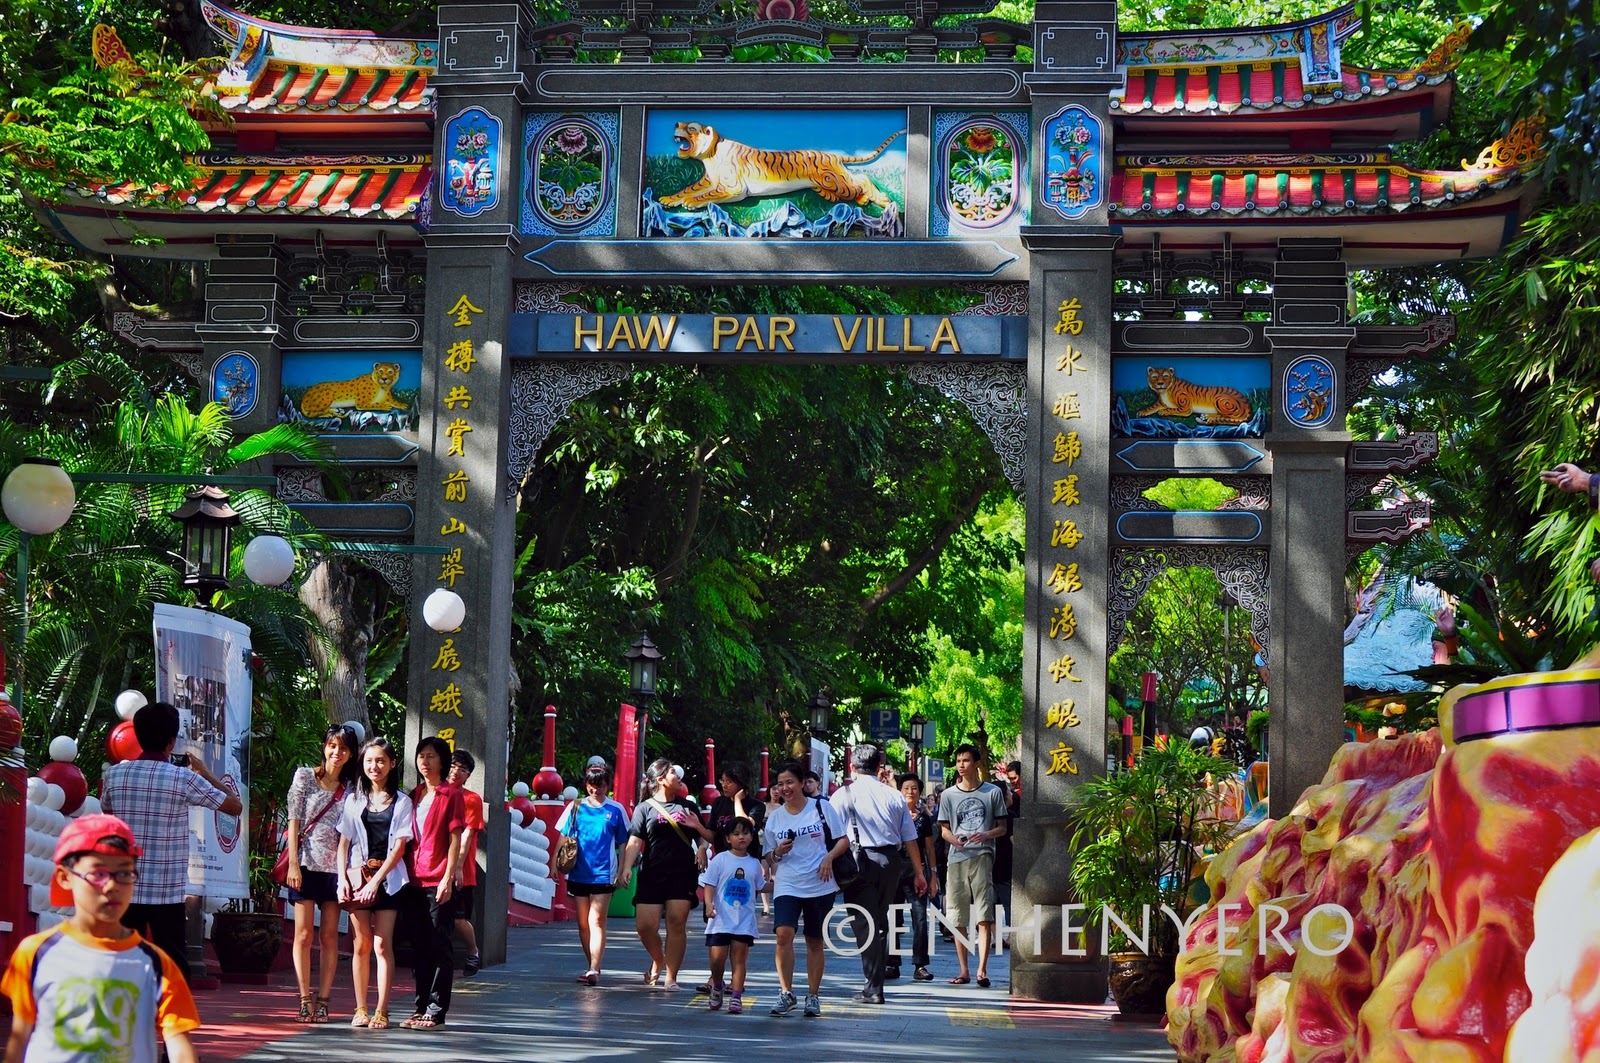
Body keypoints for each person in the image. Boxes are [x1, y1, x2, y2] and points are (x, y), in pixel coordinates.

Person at [4, 814, 201, 1063]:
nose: (111, 886)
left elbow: (179, 1047)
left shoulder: (156, 964)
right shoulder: (35, 953)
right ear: (65, 877)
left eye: (124, 874)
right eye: (98, 874)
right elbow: (20, 1037)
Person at [100, 701, 243, 983]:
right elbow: (234, 807)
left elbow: (107, 812)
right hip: (166, 889)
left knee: (123, 960)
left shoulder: (114, 775)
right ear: (171, 740)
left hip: (125, 884)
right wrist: (205, 773)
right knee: (173, 966)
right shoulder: (183, 778)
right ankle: (171, 1020)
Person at [827, 744, 926, 1004]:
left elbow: (832, 835)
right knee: (880, 922)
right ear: (878, 765)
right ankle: (874, 984)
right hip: (891, 862)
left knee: (863, 924)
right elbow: (910, 838)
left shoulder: (842, 795)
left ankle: (873, 988)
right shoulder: (894, 795)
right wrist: (920, 872)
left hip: (858, 863)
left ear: (852, 767)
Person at [337, 737, 415, 1031]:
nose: (374, 766)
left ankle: (382, 1010)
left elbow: (399, 848)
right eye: (369, 761)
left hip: (389, 881)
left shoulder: (403, 802)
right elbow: (343, 841)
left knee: (382, 946)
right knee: (361, 945)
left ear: (392, 764)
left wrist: (377, 880)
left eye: (381, 760)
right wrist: (342, 877)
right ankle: (360, 1008)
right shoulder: (354, 799)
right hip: (358, 877)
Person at [284, 724, 360, 1023]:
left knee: (329, 937)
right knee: (302, 935)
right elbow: (294, 820)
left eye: (343, 748)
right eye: (332, 746)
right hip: (304, 863)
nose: (336, 753)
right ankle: (304, 999)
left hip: (336, 869)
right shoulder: (304, 775)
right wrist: (292, 862)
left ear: (351, 753)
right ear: (324, 746)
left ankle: (324, 1000)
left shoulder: (353, 786)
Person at [762, 760, 848, 1018]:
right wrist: (777, 852)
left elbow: (843, 839)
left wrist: (828, 858)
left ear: (801, 783)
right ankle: (786, 993)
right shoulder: (775, 817)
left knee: (814, 940)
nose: (785, 788)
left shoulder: (821, 807)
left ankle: (813, 995)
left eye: (790, 782)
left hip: (820, 884)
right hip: (788, 882)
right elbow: (768, 856)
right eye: (780, 784)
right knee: (783, 935)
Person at [617, 758, 713, 990]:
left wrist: (701, 848)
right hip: (652, 873)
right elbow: (634, 840)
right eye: (672, 772)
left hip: (682, 873)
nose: (678, 776)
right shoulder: (644, 808)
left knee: (676, 924)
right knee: (645, 926)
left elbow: (703, 836)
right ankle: (658, 959)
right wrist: (626, 867)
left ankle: (671, 977)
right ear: (660, 779)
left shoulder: (688, 807)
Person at [402, 736, 465, 1030]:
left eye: (431, 756)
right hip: (412, 881)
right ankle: (420, 1006)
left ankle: (436, 1011)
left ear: (442, 761)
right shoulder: (413, 795)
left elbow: (455, 839)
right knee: (418, 947)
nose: (424, 762)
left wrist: (448, 877)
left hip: (437, 879)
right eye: (421, 756)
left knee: (439, 946)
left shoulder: (450, 795)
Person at [553, 762, 630, 985]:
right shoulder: (576, 807)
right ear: (586, 785)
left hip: (604, 873)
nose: (596, 790)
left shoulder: (616, 810)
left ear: (608, 785)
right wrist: (553, 862)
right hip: (578, 872)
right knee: (583, 923)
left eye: (601, 785)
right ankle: (591, 965)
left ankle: (594, 968)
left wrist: (623, 869)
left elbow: (624, 843)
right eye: (591, 786)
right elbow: (563, 836)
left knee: (597, 920)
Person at [937, 743, 1008, 987]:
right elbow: (944, 830)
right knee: (957, 915)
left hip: (983, 856)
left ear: (977, 763)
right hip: (957, 858)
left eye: (966, 760)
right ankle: (964, 969)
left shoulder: (992, 793)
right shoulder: (948, 795)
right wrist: (954, 839)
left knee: (984, 914)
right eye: (958, 761)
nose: (961, 765)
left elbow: (1003, 827)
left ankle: (982, 970)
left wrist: (986, 835)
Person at [699, 817, 765, 1014]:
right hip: (720, 920)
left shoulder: (754, 864)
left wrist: (785, 881)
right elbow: (709, 884)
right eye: (736, 834)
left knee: (739, 960)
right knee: (717, 960)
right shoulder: (720, 859)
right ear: (727, 838)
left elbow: (761, 886)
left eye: (745, 833)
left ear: (752, 837)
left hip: (743, 922)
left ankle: (736, 996)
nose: (741, 837)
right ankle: (717, 985)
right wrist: (709, 904)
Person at [886, 773, 938, 982]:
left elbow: (929, 848)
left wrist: (933, 876)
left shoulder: (924, 818)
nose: (910, 792)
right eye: (906, 788)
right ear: (899, 791)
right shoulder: (892, 815)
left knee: (919, 918)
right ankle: (891, 963)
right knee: (892, 918)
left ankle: (920, 965)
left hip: (917, 874)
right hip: (892, 873)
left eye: (915, 788)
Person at [446, 748, 486, 977]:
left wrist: (457, 867)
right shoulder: (435, 794)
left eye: (462, 769)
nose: (456, 772)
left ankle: (472, 952)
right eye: (453, 766)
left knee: (459, 919)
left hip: (463, 871)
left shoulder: (471, 799)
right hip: (434, 868)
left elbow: (467, 835)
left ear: (468, 775)